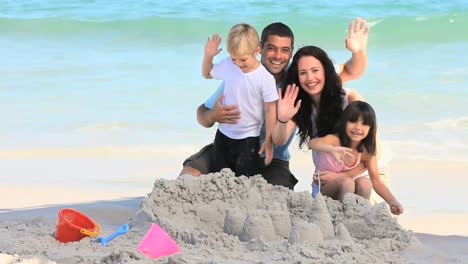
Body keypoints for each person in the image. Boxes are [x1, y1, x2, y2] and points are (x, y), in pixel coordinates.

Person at [181, 18, 369, 189]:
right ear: (259, 48)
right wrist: (212, 115)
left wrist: (358, 51)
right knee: (186, 180)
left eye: (285, 50)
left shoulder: (298, 77)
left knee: (275, 197)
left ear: (291, 52)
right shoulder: (241, 71)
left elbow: (351, 71)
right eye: (271, 48)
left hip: (273, 159)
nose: (278, 56)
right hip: (229, 147)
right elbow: (202, 115)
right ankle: (160, 225)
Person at [273, 45, 389, 206]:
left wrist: (344, 175)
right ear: (297, 77)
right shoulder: (301, 106)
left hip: (367, 172)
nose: (310, 78)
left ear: (326, 71)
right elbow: (279, 140)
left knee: (361, 185)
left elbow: (374, 149)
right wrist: (282, 118)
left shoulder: (350, 98)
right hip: (331, 179)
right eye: (303, 73)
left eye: (315, 70)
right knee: (345, 185)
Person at [202, 23, 278, 176]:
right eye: (234, 59)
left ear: (257, 50)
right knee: (220, 177)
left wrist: (268, 140)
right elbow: (207, 74)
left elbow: (271, 110)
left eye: (243, 60)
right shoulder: (229, 65)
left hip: (249, 138)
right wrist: (208, 56)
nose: (238, 64)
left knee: (245, 179)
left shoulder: (265, 78)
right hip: (223, 134)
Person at [308, 101, 403, 215]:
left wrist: (393, 202)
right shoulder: (335, 140)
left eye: (364, 123)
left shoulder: (366, 151)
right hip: (323, 192)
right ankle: (343, 218)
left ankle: (359, 217)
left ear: (371, 128)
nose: (358, 127)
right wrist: (332, 150)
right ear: (344, 122)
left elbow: (376, 180)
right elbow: (312, 143)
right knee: (347, 182)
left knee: (365, 183)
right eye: (353, 121)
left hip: (348, 191)